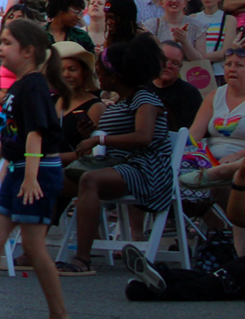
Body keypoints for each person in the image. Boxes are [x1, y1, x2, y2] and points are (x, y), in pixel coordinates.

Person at [0, 19, 69, 319]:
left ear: (29, 51)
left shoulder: (34, 85)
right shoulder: (19, 87)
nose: (1, 49)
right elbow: (9, 138)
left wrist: (31, 177)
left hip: (37, 171)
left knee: (33, 246)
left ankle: (59, 313)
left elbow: (36, 133)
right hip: (19, 169)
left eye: (8, 43)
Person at [58, 33, 173, 276]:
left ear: (114, 75)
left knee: (89, 180)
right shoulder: (122, 102)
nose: (97, 76)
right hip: (119, 164)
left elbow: (143, 137)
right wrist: (88, 134)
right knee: (54, 179)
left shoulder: (145, 99)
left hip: (147, 168)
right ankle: (31, 249)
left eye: (100, 71)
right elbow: (106, 141)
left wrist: (98, 138)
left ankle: (82, 259)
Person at [178, 45, 245, 256]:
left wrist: (235, 156)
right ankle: (217, 227)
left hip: (239, 158)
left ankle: (233, 244)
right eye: (228, 64)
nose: (231, 69)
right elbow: (194, 134)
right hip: (210, 157)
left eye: (239, 65)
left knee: (226, 180)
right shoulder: (215, 96)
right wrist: (178, 151)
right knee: (178, 170)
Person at [54, 41, 103, 164]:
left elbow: (94, 153)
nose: (66, 75)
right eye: (61, 70)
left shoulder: (95, 107)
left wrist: (48, 159)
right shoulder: (51, 101)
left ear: (84, 72)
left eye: (72, 69)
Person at [185, 0, 236, 85]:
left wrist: (199, 57)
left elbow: (226, 51)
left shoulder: (228, 19)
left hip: (219, 72)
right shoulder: (192, 18)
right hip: (196, 73)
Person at [152, 39, 205, 143]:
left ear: (181, 67)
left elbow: (191, 135)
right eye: (164, 60)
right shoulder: (140, 87)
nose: (169, 66)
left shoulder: (190, 94)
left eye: (175, 63)